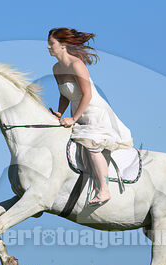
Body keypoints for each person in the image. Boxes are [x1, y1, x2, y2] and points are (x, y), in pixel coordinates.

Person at [48, 27, 133, 205]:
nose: (48, 47)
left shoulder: (76, 64)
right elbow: (64, 94)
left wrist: (73, 118)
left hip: (94, 112)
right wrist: (60, 112)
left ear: (63, 45)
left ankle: (104, 190)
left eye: (51, 43)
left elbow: (87, 95)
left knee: (91, 145)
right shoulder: (56, 68)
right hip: (76, 112)